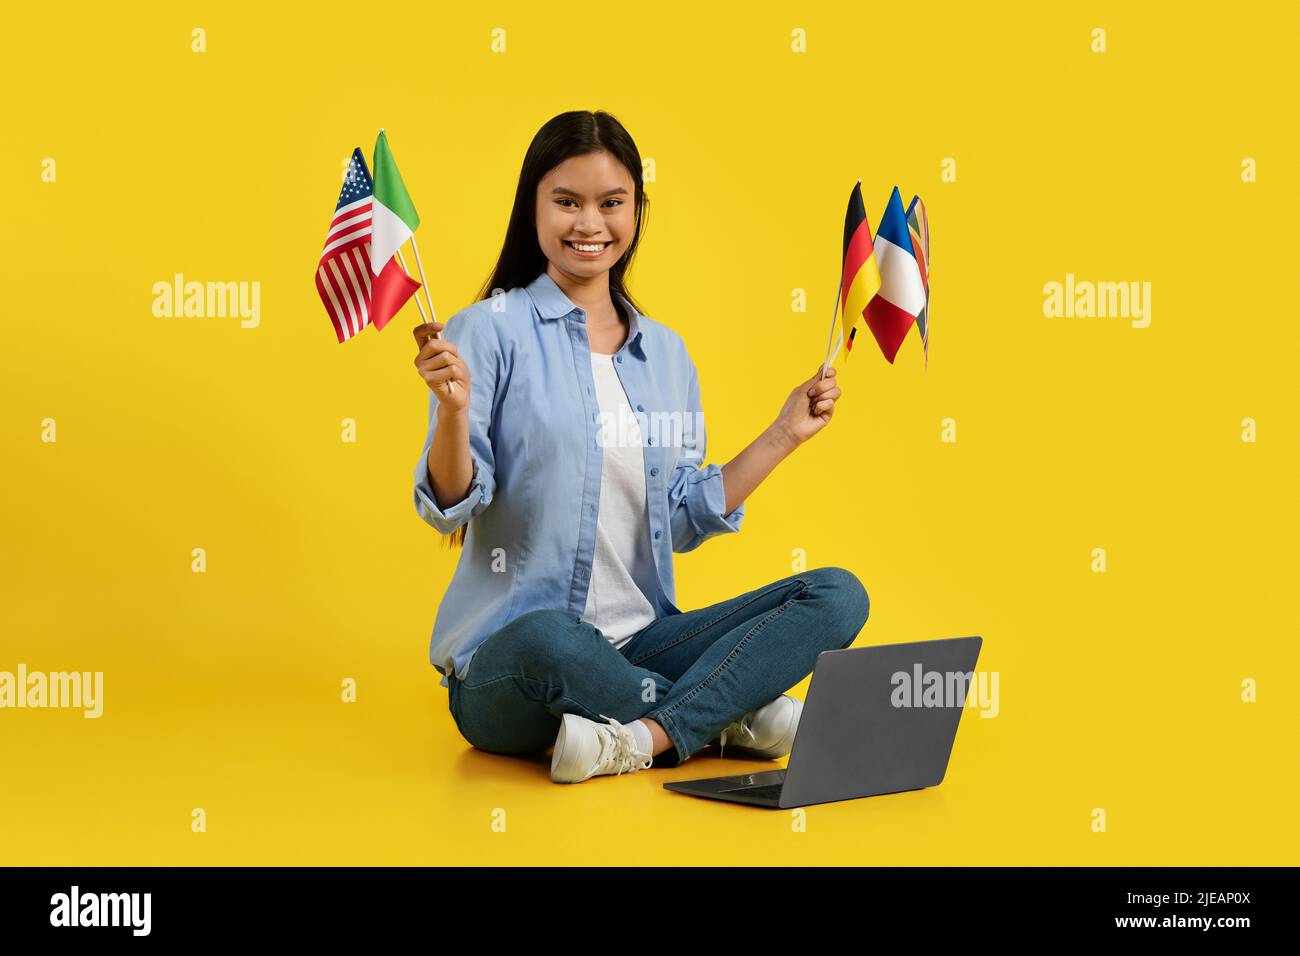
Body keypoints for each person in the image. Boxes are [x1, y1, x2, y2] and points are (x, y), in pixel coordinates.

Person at [413, 110, 870, 784]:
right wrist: (452, 415)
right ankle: (719, 716)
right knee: (551, 637)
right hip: (512, 667)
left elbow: (682, 517)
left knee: (836, 595)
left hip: (642, 646)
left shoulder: (665, 355)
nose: (589, 224)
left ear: (636, 212)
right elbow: (448, 507)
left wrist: (783, 435)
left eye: (611, 203)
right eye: (566, 202)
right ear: (532, 210)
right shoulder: (487, 331)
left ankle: (643, 736)